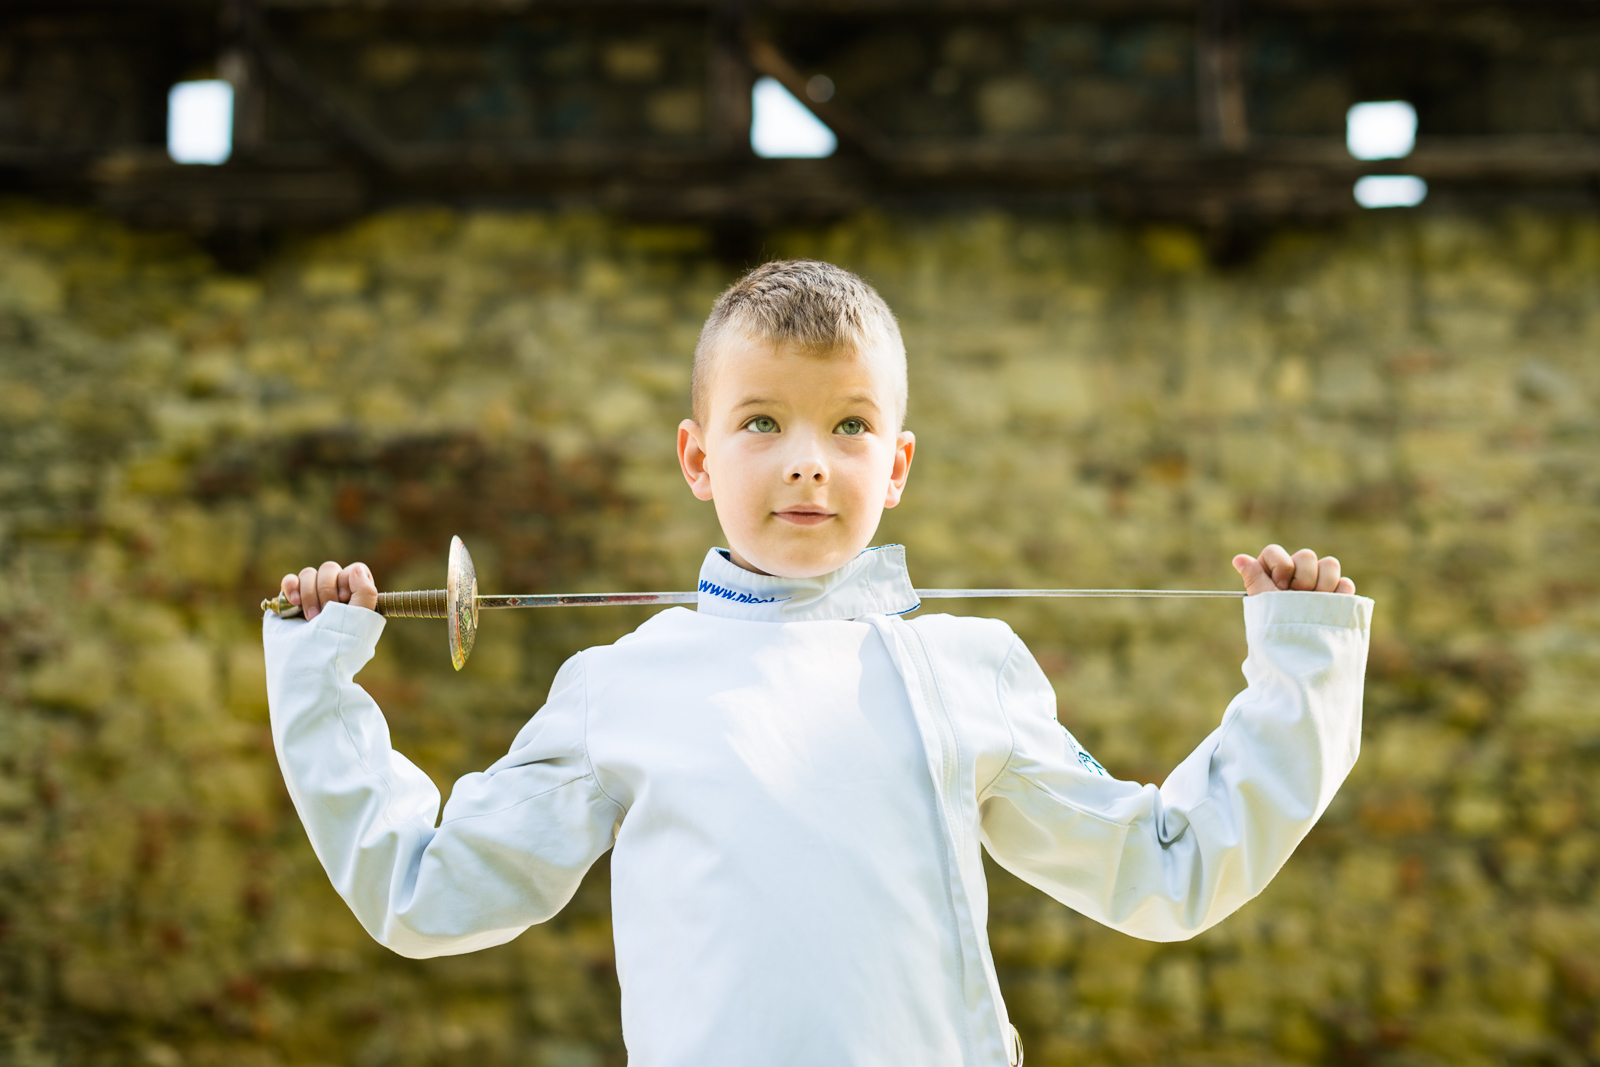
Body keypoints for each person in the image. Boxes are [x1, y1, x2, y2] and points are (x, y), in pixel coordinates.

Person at [264, 260, 1370, 1067]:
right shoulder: (621, 685)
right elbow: (425, 889)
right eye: (760, 422)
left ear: (897, 464)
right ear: (697, 456)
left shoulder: (966, 665)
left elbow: (1167, 871)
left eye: (848, 426)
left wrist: (1300, 671)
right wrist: (320, 683)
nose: (806, 463)